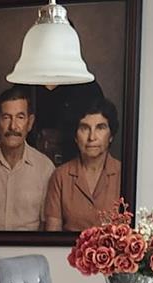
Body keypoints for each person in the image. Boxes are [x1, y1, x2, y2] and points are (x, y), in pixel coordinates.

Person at [41, 96, 124, 233]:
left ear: (111, 136)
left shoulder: (124, 174)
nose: (92, 137)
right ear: (75, 136)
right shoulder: (60, 176)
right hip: (68, 247)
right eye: (85, 128)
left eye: (100, 128)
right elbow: (52, 234)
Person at [0, 86, 55, 232]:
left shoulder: (45, 168)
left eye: (20, 117)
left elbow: (47, 226)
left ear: (30, 122)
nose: (13, 126)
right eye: (6, 117)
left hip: (30, 247)